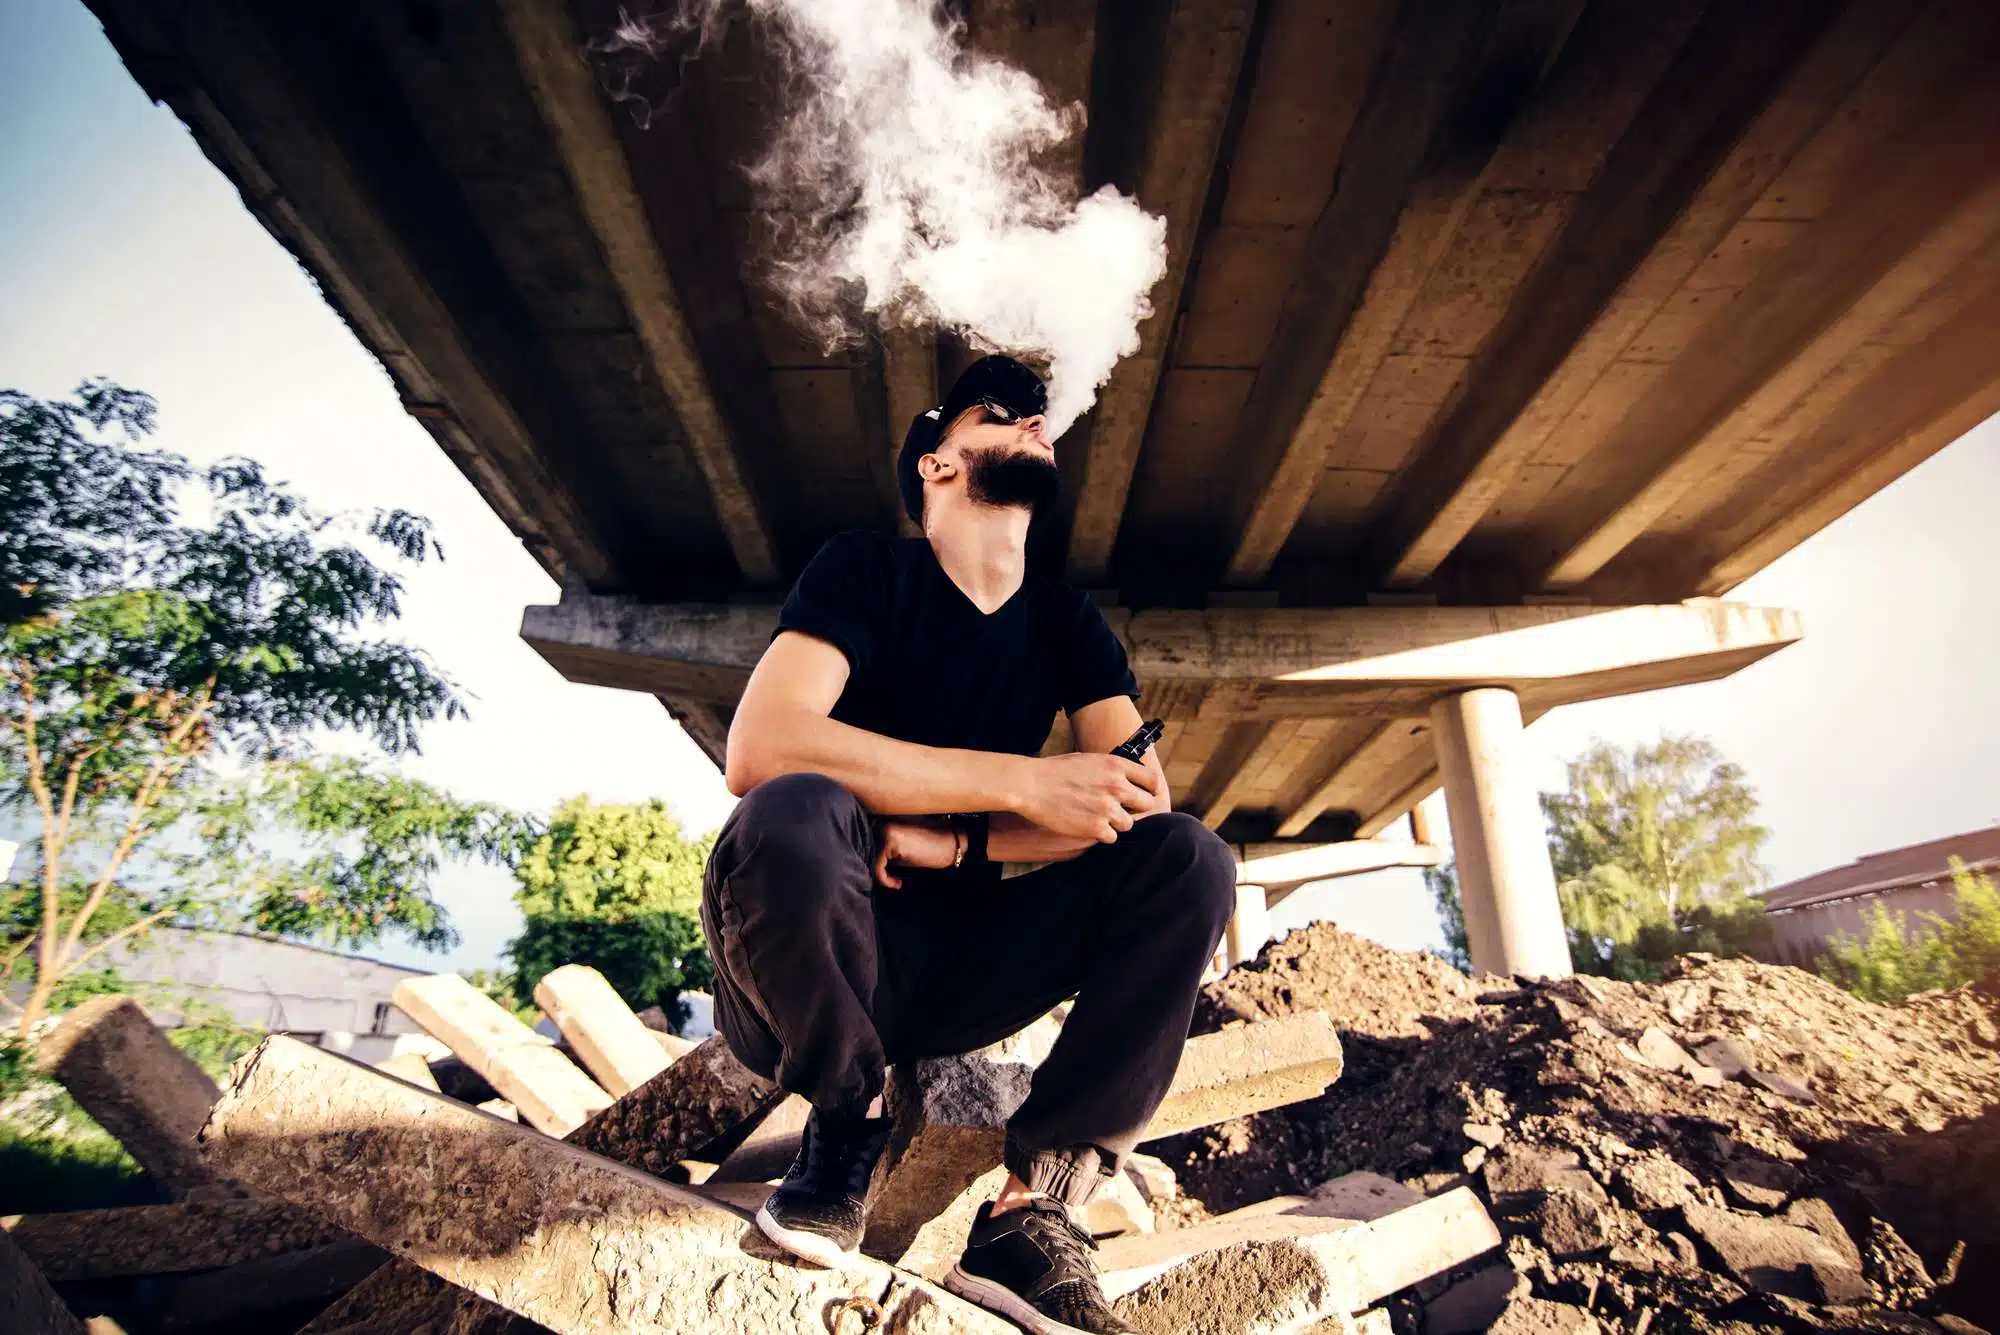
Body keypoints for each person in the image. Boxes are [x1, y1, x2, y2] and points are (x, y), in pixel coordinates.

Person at [703, 353, 1237, 1335]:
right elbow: (761, 747)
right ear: (936, 465)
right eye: (1002, 413)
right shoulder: (867, 570)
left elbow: (1137, 808)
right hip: (811, 966)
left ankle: (1034, 1214)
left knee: (1188, 860)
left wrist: (961, 847)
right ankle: (845, 1121)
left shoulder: (1066, 623)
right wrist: (1022, 783)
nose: (1038, 425)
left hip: (965, 966)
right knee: (794, 808)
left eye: (1043, 419)